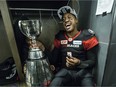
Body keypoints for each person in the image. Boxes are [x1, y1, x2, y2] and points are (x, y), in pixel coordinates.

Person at [48, 6, 99, 86]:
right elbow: (54, 59)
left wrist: (79, 63)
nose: (66, 20)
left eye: (69, 17)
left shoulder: (86, 36)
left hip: (83, 73)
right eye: (64, 19)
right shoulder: (59, 37)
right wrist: (44, 50)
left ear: (76, 21)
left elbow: (92, 61)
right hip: (65, 72)